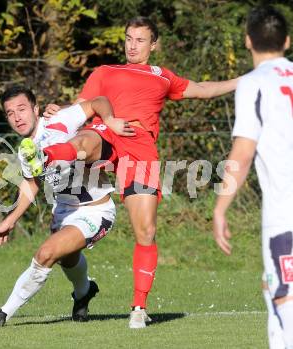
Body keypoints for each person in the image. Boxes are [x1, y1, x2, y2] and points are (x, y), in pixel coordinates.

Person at [44, 16, 238, 328]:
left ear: (153, 44)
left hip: (138, 147)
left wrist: (244, 81)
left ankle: (138, 307)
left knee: (145, 231)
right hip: (106, 134)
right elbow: (83, 105)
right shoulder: (106, 72)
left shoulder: (163, 77)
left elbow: (201, 89)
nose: (132, 46)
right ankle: (43, 156)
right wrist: (61, 109)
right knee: (84, 140)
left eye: (140, 40)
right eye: (129, 38)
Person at [0, 86, 125, 327]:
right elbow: (31, 185)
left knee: (46, 254)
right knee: (67, 258)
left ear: (36, 109)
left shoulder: (59, 120)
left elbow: (98, 101)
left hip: (95, 211)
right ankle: (84, 292)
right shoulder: (24, 149)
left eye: (21, 109)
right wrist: (10, 220)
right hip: (63, 211)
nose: (17, 117)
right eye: (9, 113)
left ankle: (3, 313)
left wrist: (109, 120)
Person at [213, 6, 292, 348]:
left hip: (285, 216)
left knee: (285, 308)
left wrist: (219, 209)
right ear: (287, 41)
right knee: (273, 291)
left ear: (248, 41)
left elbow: (242, 153)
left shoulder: (253, 83)